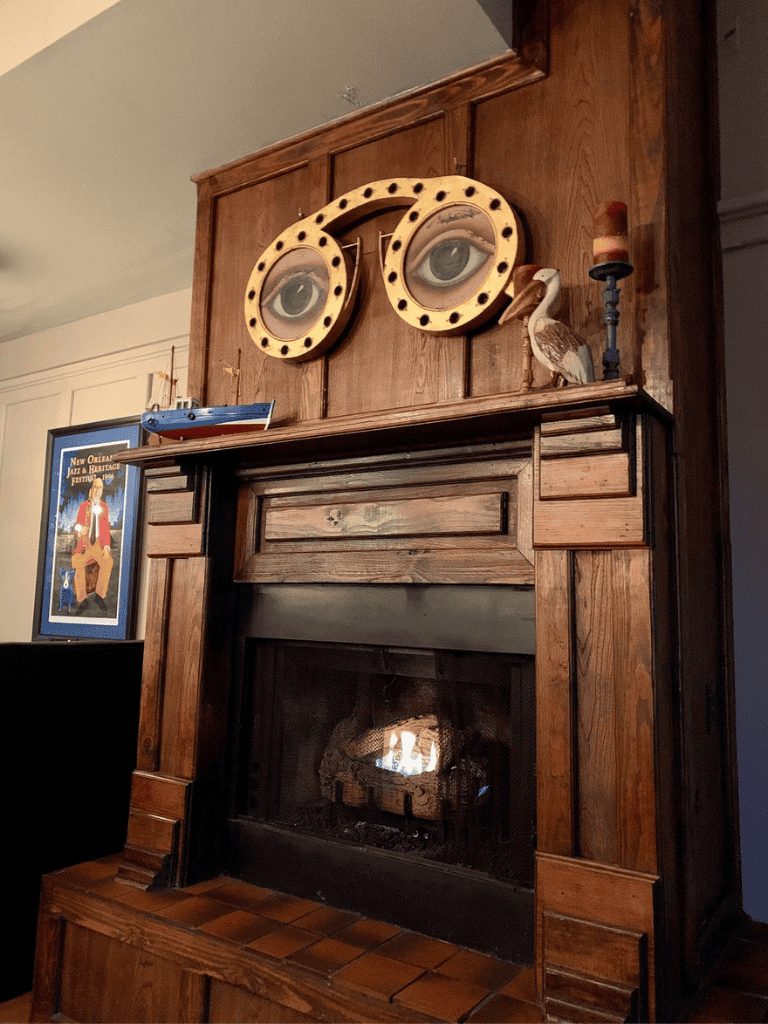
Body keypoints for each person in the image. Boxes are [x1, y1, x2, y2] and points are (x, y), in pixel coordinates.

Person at [71, 477, 113, 611]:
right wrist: (79, 531)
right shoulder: (84, 506)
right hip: (85, 545)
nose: (97, 490)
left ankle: (99, 595)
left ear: (102, 491)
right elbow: (76, 527)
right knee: (78, 562)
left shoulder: (105, 508)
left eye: (100, 488)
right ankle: (82, 599)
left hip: (99, 545)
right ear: (91, 490)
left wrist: (106, 547)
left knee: (108, 561)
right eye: (95, 487)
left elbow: (106, 530)